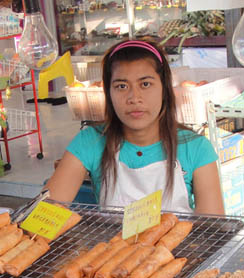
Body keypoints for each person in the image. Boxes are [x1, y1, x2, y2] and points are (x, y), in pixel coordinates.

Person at [46, 39, 225, 214]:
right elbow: (45, 214)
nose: (134, 97)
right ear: (108, 93)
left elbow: (212, 230)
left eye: (145, 84)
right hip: (113, 244)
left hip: (180, 245)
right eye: (121, 86)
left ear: (164, 89)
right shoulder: (91, 142)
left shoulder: (196, 147)